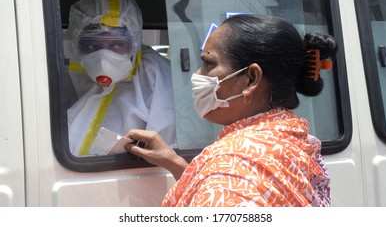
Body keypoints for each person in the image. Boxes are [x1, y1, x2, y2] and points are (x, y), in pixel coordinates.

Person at [124, 14, 336, 207]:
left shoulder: (229, 173)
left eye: (208, 63)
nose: (197, 74)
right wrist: (176, 163)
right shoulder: (286, 139)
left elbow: (228, 187)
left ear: (251, 79)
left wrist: (214, 170)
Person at [64, 0, 177, 156]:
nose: (104, 58)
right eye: (92, 46)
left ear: (134, 44)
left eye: (117, 44)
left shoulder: (155, 77)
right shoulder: (69, 70)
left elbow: (165, 152)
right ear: (77, 46)